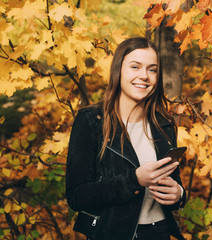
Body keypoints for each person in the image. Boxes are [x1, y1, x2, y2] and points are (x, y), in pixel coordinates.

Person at [66, 37, 186, 240]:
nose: (144, 76)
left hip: (159, 232)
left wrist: (180, 195)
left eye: (152, 69)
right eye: (135, 67)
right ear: (118, 70)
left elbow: (173, 185)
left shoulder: (163, 125)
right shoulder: (91, 121)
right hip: (112, 233)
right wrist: (134, 180)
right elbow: (77, 196)